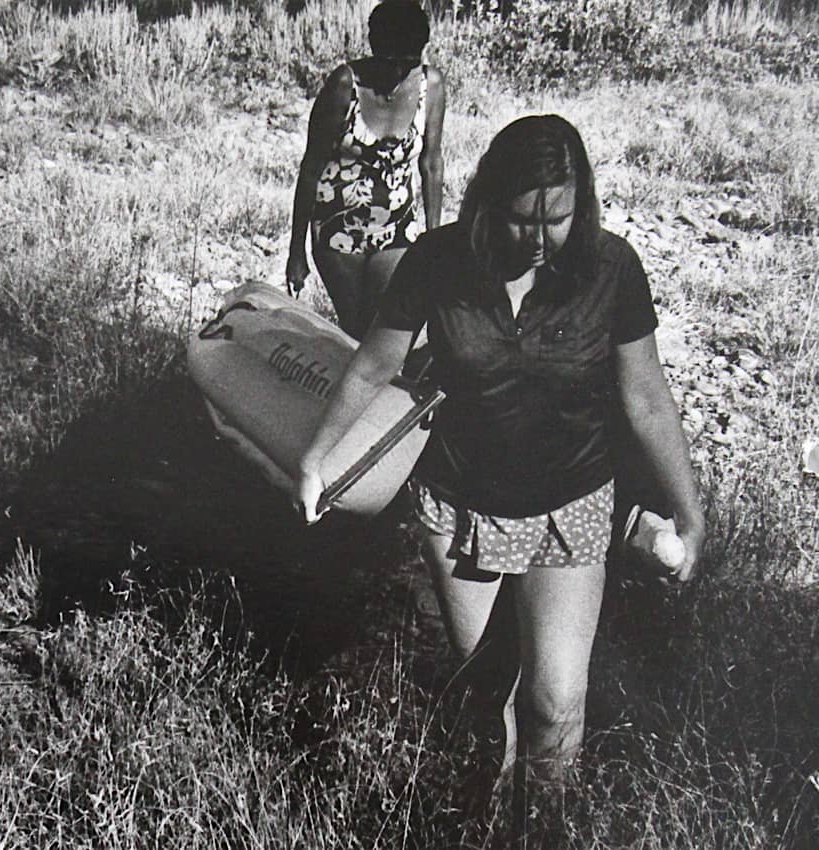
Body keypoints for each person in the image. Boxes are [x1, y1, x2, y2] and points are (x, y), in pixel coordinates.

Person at [295, 114, 706, 787]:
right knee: (487, 691)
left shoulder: (611, 268)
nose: (539, 240)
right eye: (521, 221)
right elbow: (372, 368)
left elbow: (647, 399)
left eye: (557, 221)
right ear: (488, 201)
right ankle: (492, 813)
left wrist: (688, 516)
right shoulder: (436, 259)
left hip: (569, 504)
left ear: (582, 205)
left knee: (554, 701)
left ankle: (547, 819)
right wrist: (316, 462)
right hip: (458, 506)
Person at [285, 0, 446, 340]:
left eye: (410, 62)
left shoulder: (430, 86)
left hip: (397, 223)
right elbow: (310, 168)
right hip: (337, 225)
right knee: (356, 327)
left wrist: (434, 241)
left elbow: (431, 163)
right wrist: (296, 250)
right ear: (375, 47)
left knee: (388, 325)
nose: (400, 72)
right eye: (391, 61)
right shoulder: (344, 86)